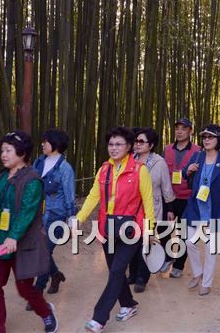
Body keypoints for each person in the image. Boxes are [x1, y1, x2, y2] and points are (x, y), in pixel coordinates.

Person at [72, 127, 155, 333]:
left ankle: (99, 318)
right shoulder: (104, 169)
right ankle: (128, 305)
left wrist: (149, 230)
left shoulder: (139, 170)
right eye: (111, 144)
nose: (114, 148)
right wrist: (79, 218)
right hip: (107, 228)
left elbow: (148, 202)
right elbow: (93, 196)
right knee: (115, 272)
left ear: (128, 147)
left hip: (131, 230)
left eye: (119, 144)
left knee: (117, 271)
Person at [0, 130, 58, 333]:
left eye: (8, 150)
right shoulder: (2, 176)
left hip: (22, 242)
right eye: (2, 150)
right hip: (0, 239)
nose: (3, 155)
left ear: (22, 153)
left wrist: (13, 236)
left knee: (25, 288)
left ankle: (46, 312)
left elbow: (26, 212)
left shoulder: (32, 179)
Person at [183, 124, 220, 296]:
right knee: (189, 242)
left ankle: (207, 282)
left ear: (218, 140)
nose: (207, 140)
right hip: (195, 207)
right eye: (204, 137)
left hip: (215, 210)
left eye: (211, 137)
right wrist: (188, 171)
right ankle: (197, 273)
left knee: (211, 247)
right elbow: (182, 175)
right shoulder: (197, 156)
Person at [129, 127, 176, 293]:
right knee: (132, 242)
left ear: (151, 145)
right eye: (136, 141)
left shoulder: (159, 162)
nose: (137, 144)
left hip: (152, 207)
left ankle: (142, 277)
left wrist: (170, 208)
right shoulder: (130, 159)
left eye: (141, 141)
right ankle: (133, 273)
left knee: (145, 241)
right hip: (132, 208)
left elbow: (166, 187)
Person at [30, 129, 75, 301]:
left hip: (57, 216)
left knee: (43, 252)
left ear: (55, 144)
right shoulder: (39, 162)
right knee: (41, 251)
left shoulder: (65, 168)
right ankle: (55, 275)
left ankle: (38, 290)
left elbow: (70, 196)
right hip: (38, 215)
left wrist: (71, 222)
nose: (42, 144)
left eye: (46, 141)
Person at [161, 118, 201, 278]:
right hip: (169, 196)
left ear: (190, 131)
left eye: (183, 128)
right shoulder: (167, 149)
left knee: (184, 233)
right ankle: (167, 255)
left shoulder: (198, 151)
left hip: (188, 199)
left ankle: (178, 264)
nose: (179, 131)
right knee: (162, 229)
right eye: (177, 128)